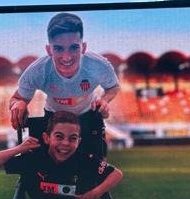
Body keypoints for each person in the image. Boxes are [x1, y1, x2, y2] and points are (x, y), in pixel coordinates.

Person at [0, 110, 123, 199]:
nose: (65, 143)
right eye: (59, 136)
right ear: (46, 138)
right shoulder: (34, 159)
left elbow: (116, 174)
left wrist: (94, 193)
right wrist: (19, 149)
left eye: (72, 138)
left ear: (79, 141)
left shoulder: (85, 159)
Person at [8, 12, 120, 153]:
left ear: (83, 47)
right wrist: (19, 103)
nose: (66, 57)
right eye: (58, 48)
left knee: (95, 171)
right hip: (53, 119)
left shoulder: (99, 65)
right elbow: (17, 98)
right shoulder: (37, 70)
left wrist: (104, 100)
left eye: (74, 47)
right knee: (51, 171)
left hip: (87, 118)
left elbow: (114, 87)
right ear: (49, 50)